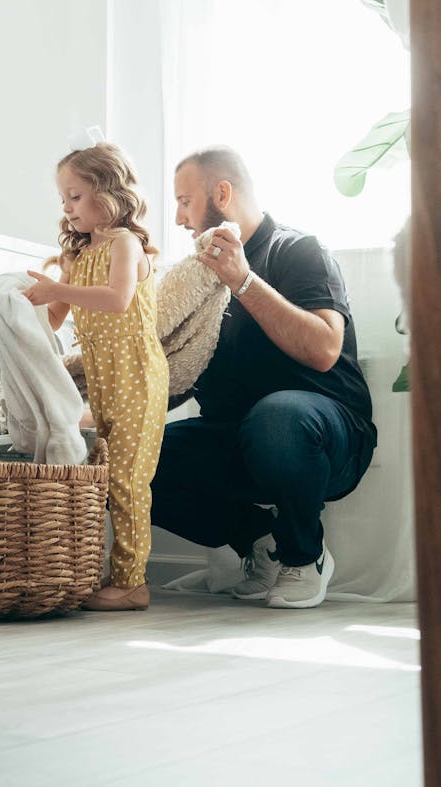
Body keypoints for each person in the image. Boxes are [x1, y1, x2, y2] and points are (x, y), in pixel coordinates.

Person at [152, 146, 376, 609]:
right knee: (127, 462)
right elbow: (178, 377)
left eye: (184, 201)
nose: (177, 218)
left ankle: (304, 555)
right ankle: (260, 543)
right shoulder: (197, 278)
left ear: (222, 193)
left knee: (276, 416)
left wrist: (244, 281)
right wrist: (97, 417)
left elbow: (323, 349)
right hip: (236, 439)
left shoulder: (297, 250)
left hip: (324, 437)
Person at [23, 143, 170, 612]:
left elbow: (117, 299)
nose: (67, 208)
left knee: (128, 480)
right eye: (63, 199)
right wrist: (24, 314)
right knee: (106, 478)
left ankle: (132, 582)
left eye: (75, 196)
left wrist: (58, 287)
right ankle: (112, 570)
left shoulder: (125, 244)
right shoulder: (78, 254)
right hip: (105, 376)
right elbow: (56, 315)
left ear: (108, 194)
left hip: (138, 373)